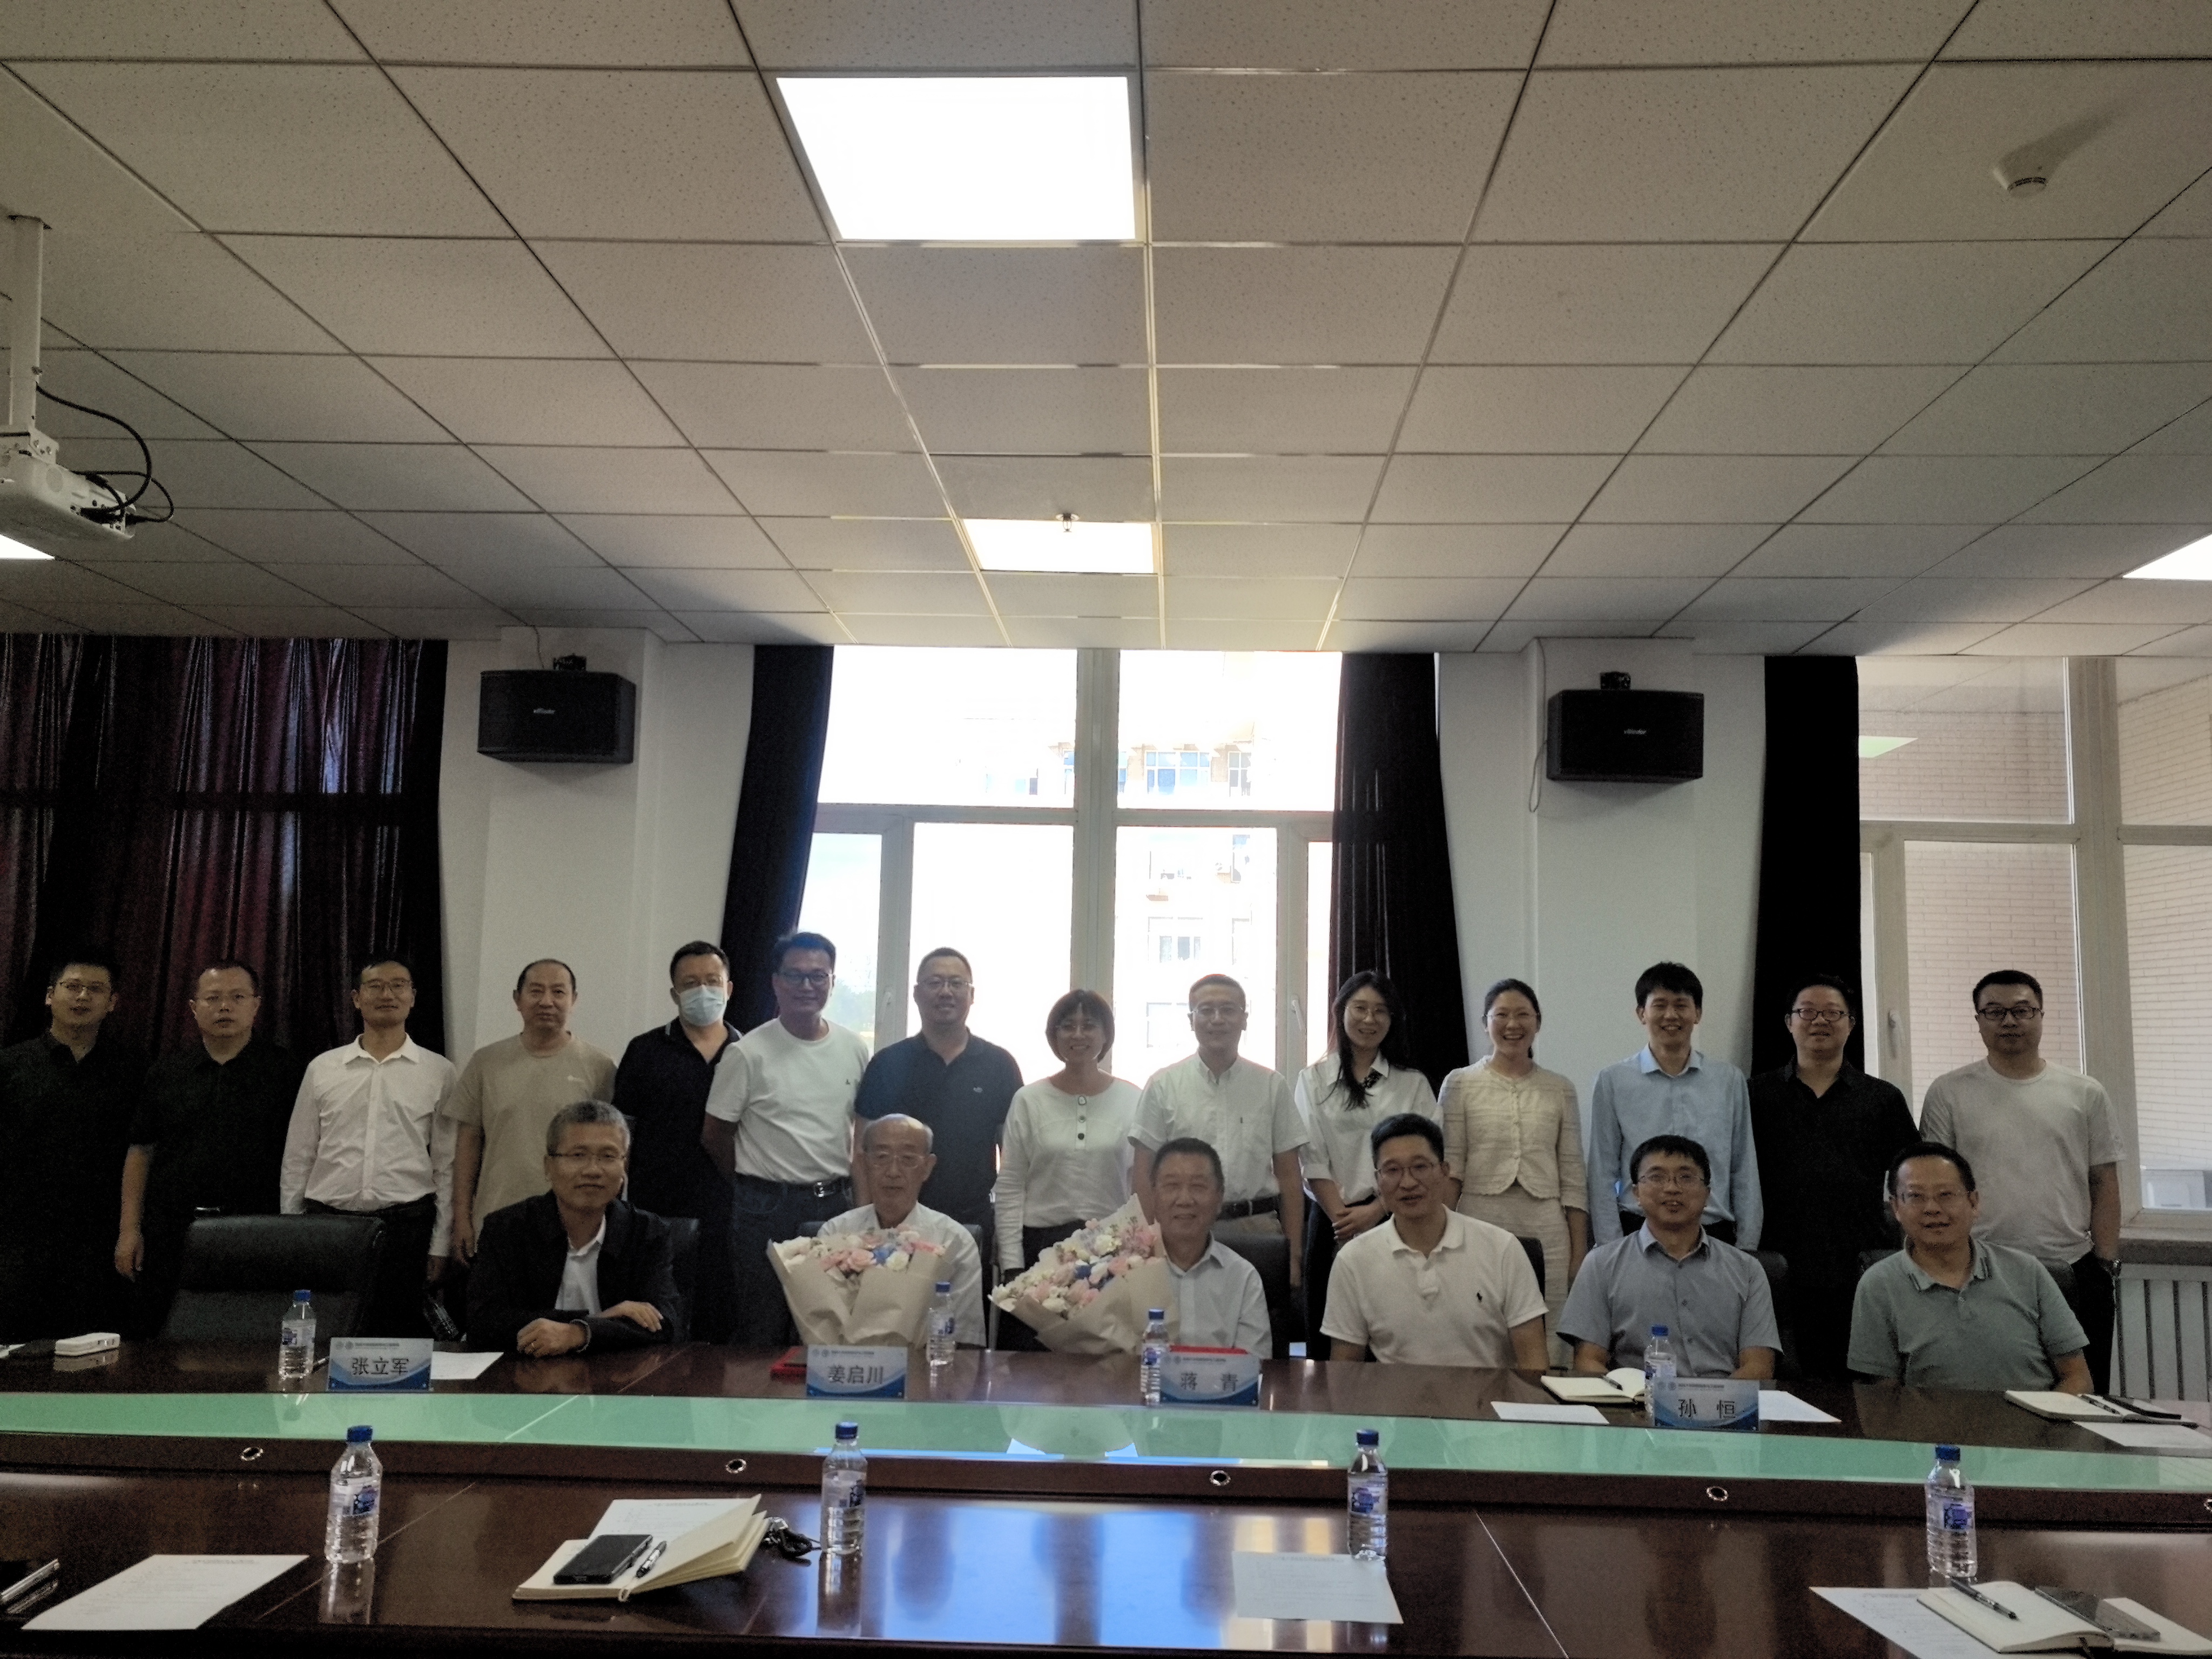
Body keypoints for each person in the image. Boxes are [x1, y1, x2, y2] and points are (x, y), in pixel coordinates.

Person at [1919, 969, 2120, 1392]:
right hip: (1979, 1270)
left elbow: (2103, 1180)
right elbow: (1935, 1184)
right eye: (1995, 1012)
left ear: (2041, 1015)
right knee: (1987, 1394)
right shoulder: (1949, 1092)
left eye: (2022, 1011)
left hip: (2072, 1267)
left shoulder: (2085, 1092)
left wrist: (2105, 1264)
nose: (2009, 1021)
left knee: (2083, 1396)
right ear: (1978, 1021)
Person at [703, 931, 871, 1349]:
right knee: (762, 1327)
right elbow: (716, 1134)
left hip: (834, 1204)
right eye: (795, 976)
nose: (807, 986)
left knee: (830, 1327)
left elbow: (859, 1133)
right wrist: (751, 1182)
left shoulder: (853, 1048)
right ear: (776, 982)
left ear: (832, 982)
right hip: (765, 1209)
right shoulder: (748, 1053)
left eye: (818, 976)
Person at [116, 961, 303, 1334]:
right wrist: (129, 1230)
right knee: (164, 1338)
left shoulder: (288, 1072)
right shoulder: (166, 1072)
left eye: (237, 997)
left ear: (256, 1005)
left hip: (259, 1228)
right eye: (213, 998)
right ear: (193, 1007)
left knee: (248, 1339)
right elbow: (141, 1151)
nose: (224, 1007)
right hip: (173, 1232)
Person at [1748, 974, 1914, 1381]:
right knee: (1783, 1381)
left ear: (1851, 1024)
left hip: (1857, 1261)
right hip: (1774, 1262)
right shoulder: (1754, 1095)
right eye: (1807, 1012)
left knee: (1853, 1382)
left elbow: (1910, 1175)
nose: (1820, 1021)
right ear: (1789, 1022)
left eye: (1833, 1013)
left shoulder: (1882, 1098)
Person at [279, 955, 457, 1338]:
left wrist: (440, 1243)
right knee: (326, 1334)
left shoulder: (439, 1071)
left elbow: (446, 1165)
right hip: (328, 1224)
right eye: (375, 986)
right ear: (357, 999)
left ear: (413, 997)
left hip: (407, 1227)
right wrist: (293, 1230)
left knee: (396, 1339)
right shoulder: (323, 1068)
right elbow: (299, 1156)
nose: (387, 994)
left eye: (398, 985)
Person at [1849, 1142, 2090, 1394]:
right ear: (1896, 1208)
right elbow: (1881, 1397)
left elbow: (2077, 1377)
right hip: (1929, 1421)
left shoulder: (2028, 1272)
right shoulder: (1878, 1285)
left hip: (2032, 1418)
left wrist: (2046, 1420)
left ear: (1974, 1203)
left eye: (1946, 1195)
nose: (1932, 1209)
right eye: (1915, 1196)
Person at [1323, 1114, 1549, 1368]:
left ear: (1444, 1171)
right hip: (1394, 1394)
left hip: (1487, 1393)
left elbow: (1534, 1361)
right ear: (1378, 1181)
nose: (1408, 1183)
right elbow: (1344, 1370)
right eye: (1393, 1170)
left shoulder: (1502, 1249)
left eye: (1420, 1167)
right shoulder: (1353, 1260)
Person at [1131, 974, 1307, 1296]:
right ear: (1191, 1020)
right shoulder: (1163, 1085)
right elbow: (1143, 1173)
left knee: (1260, 1320)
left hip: (1257, 1228)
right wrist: (1148, 1243)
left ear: (1244, 1019)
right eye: (1206, 1010)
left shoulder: (1271, 1085)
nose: (1217, 1019)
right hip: (1182, 1228)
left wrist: (1294, 1251)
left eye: (1228, 1010)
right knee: (1185, 1320)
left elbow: (1290, 1175)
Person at [0, 953, 146, 1339]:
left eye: (95, 990)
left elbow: (142, 1151)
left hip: (101, 1239)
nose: (83, 997)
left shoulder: (135, 1070)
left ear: (112, 1002)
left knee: (94, 1354)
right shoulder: (10, 1066)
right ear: (50, 995)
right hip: (19, 1238)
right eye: (73, 987)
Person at [1440, 977, 1587, 1357]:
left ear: (1538, 1022)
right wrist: (1439, 1237)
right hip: (1479, 1219)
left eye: (1523, 1015)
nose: (1512, 1024)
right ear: (1485, 1023)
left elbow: (1573, 1176)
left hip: (1547, 1226)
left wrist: (1578, 1254)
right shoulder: (1460, 1083)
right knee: (1479, 1324)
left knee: (1548, 1331)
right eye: (1501, 1015)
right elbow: (1450, 1171)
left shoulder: (1560, 1088)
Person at [466, 1100, 679, 1356]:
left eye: (608, 1156)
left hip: (617, 1375)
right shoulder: (507, 1229)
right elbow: (483, 1325)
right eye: (578, 1155)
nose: (593, 1170)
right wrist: (596, 1321)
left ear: (624, 1167)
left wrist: (580, 1333)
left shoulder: (647, 1232)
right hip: (527, 1373)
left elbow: (666, 1323)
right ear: (548, 1167)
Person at [1559, 1134, 1780, 1379]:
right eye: (1657, 1177)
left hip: (1723, 1400)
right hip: (1636, 1400)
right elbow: (1588, 1361)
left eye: (1686, 1178)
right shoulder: (1601, 1265)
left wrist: (1711, 1400)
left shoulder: (1748, 1271)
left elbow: (1759, 1367)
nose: (1672, 1188)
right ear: (1636, 1193)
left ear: (1708, 1194)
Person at [441, 959, 617, 1268]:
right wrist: (462, 1219)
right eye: (536, 991)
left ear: (574, 1000)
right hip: (495, 1220)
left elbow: (611, 1153)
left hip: (573, 1226)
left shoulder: (600, 1067)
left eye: (558, 992)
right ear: (517, 999)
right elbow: (468, 1144)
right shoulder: (486, 1062)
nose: (547, 1001)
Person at [1296, 972, 1438, 1341]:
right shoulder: (1313, 1080)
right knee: (1327, 1333)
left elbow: (1427, 1159)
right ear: (1341, 1012)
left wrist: (1377, 1211)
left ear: (1392, 1020)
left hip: (1396, 1216)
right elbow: (1311, 1157)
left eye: (1380, 1011)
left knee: (1394, 1328)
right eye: (1360, 1008)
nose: (1369, 1019)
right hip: (1330, 1221)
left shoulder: (1412, 1083)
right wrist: (1344, 1222)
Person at [612, 940, 741, 1342]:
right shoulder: (645, 1050)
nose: (703, 991)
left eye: (712, 981)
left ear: (729, 988)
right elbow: (623, 1131)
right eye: (690, 983)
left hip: (731, 1207)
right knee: (660, 1324)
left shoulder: (751, 1052)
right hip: (658, 1210)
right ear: (674, 994)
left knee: (721, 1322)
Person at [1586, 962, 1761, 1249]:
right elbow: (1602, 1171)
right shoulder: (1613, 1081)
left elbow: (1744, 1167)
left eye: (1681, 1005)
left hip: (1713, 1231)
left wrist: (1747, 1246)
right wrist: (1611, 1248)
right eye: (1660, 1005)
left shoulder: (1728, 1080)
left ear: (1697, 1013)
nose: (1671, 1015)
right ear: (1642, 1013)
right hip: (1637, 1229)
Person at [855, 947, 1022, 1233]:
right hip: (896, 1224)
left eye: (957, 983)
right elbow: (862, 1153)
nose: (946, 992)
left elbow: (1014, 1159)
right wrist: (865, 1226)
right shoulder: (887, 1063)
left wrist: (1008, 1233)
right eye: (935, 983)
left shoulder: (1000, 1065)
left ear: (972, 995)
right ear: (917, 994)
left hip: (973, 1222)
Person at [994, 989, 1139, 1274]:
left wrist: (1137, 1252)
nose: (1078, 1035)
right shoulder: (1029, 1100)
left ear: (1106, 1035)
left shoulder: (1132, 1099)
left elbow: (1140, 1187)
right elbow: (1011, 1185)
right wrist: (1012, 1263)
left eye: (1089, 1026)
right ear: (1054, 1036)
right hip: (1040, 1246)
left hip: (1111, 1246)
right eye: (1068, 1026)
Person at [818, 1114, 984, 1346]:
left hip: (927, 1363)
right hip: (849, 1362)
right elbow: (822, 1327)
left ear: (927, 1168)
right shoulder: (835, 1232)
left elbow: (965, 1337)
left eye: (908, 1159)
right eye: (882, 1157)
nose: (893, 1171)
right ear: (863, 1163)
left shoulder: (955, 1240)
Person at [1151, 1137, 1271, 1355]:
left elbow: (1253, 1365)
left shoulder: (1243, 1277)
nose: (1185, 1200)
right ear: (1154, 1196)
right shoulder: (1126, 1272)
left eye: (1198, 1187)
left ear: (1219, 1199)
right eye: (1172, 1186)